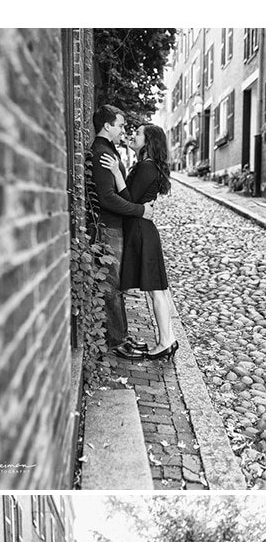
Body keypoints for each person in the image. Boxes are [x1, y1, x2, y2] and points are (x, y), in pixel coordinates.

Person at [89, 104, 161, 359]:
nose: (123, 130)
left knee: (116, 286)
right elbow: (107, 198)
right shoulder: (101, 153)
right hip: (108, 226)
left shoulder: (109, 150)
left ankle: (122, 336)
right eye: (120, 125)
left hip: (116, 226)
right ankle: (116, 341)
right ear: (107, 126)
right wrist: (139, 210)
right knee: (110, 286)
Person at [100, 123, 177, 361]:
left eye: (139, 133)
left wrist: (115, 173)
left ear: (149, 141)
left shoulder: (146, 166)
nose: (133, 134)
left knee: (156, 292)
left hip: (142, 231)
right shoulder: (147, 166)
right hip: (144, 231)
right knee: (158, 291)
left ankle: (166, 341)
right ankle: (169, 338)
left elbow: (131, 201)